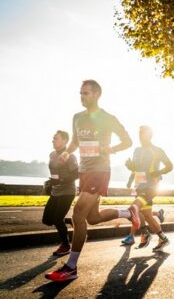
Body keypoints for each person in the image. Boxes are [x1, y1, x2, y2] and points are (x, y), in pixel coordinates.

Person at [45, 80, 132, 282]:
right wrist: (67, 153)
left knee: (77, 214)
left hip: (100, 171)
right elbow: (75, 141)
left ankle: (71, 267)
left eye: (86, 93)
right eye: (80, 93)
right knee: (92, 218)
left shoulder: (108, 118)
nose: (82, 96)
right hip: (84, 172)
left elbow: (127, 141)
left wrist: (111, 149)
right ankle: (128, 212)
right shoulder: (77, 117)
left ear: (96, 95)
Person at [121, 126, 173, 251]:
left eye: (142, 134)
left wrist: (158, 172)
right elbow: (136, 168)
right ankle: (163, 238)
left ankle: (145, 233)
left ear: (150, 135)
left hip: (151, 187)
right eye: (139, 133)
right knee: (147, 215)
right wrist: (130, 167)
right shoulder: (136, 150)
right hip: (139, 186)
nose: (140, 136)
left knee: (135, 208)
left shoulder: (157, 150)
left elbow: (170, 166)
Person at [42, 130, 79, 256]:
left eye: (56, 138)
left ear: (65, 141)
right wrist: (49, 182)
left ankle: (65, 245)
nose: (53, 140)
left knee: (57, 219)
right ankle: (72, 221)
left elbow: (76, 174)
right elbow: (55, 174)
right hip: (55, 191)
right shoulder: (52, 154)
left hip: (67, 192)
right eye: (53, 138)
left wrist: (61, 181)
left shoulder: (70, 156)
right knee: (47, 220)